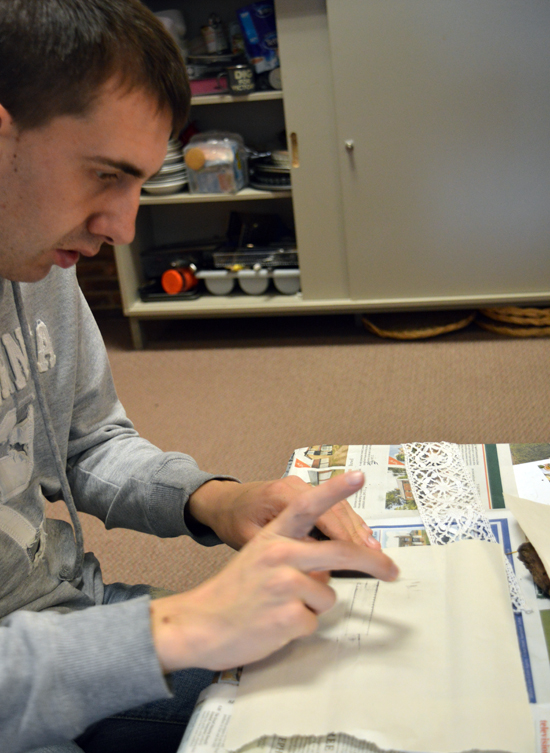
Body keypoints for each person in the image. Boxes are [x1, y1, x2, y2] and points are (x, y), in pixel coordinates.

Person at [0, 2, 399, 752]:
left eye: (140, 184)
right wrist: (182, 625)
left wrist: (218, 500)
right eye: (105, 176)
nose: (121, 227)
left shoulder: (33, 252)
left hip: (69, 614)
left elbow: (87, 444)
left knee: (354, 673)